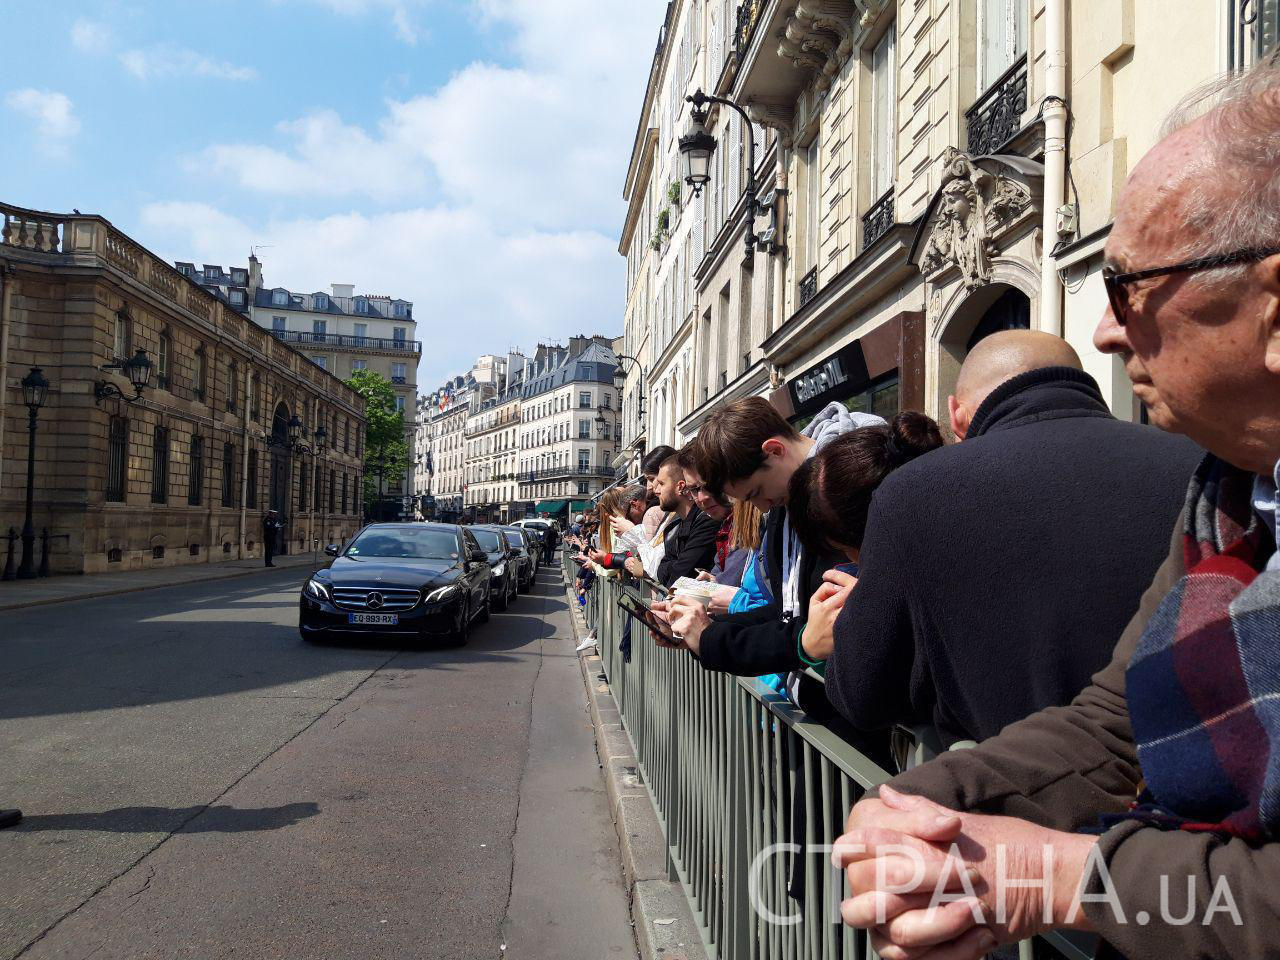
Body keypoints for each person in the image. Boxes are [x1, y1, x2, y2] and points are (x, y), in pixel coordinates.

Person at [834, 59, 1280, 960]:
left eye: (1127, 287)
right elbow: (1117, 723)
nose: (1106, 331)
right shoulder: (1224, 489)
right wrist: (923, 806)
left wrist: (1059, 877)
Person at [824, 331, 1200, 747]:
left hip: (1012, 778)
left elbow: (864, 696)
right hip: (1185, 770)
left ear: (956, 414)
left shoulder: (911, 494)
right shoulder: (1200, 466)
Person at [664, 397, 883, 675]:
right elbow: (785, 612)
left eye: (756, 493)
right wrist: (700, 632)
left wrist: (711, 638)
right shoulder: (783, 503)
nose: (762, 508)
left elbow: (838, 623)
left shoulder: (853, 489)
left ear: (775, 450)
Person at [652, 453, 719, 587]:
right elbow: (661, 569)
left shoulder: (707, 520)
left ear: (681, 486)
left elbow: (679, 577)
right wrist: (673, 566)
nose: (657, 491)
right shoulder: (676, 524)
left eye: (661, 483)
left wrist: (672, 567)